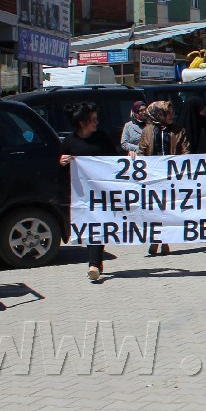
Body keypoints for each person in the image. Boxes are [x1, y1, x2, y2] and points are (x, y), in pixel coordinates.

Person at [59, 102, 119, 282]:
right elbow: (60, 170)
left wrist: (130, 158)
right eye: (93, 120)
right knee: (90, 226)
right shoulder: (69, 142)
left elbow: (116, 161)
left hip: (102, 191)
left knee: (98, 224)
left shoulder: (102, 138)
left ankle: (93, 264)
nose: (96, 123)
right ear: (82, 122)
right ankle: (96, 262)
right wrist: (61, 162)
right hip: (81, 195)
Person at [137, 100, 187, 257]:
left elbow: (186, 150)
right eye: (167, 113)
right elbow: (142, 152)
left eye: (172, 112)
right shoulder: (147, 131)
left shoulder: (178, 130)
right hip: (153, 176)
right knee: (155, 210)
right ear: (158, 114)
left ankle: (164, 240)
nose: (171, 115)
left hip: (172, 176)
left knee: (167, 210)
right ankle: (156, 240)